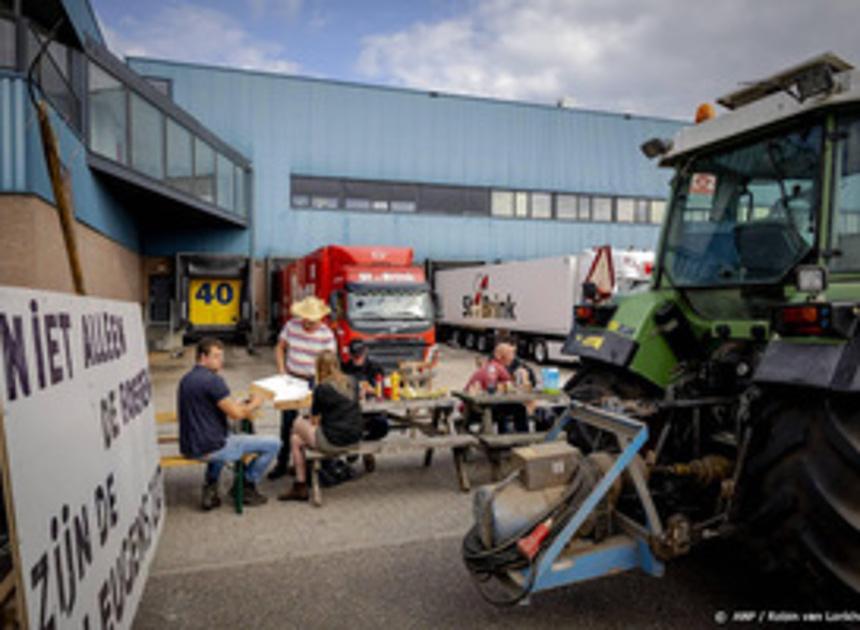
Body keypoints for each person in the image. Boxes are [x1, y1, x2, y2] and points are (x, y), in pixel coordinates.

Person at [178, 338, 281, 509]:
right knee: (274, 443)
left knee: (225, 435)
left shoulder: (186, 380)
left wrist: (239, 404)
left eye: (221, 356)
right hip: (212, 447)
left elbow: (219, 406)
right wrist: (257, 401)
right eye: (216, 356)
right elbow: (236, 415)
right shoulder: (213, 381)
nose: (221, 360)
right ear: (203, 357)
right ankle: (246, 484)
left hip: (189, 445)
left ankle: (211, 486)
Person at [268, 296, 337, 480]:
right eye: (306, 319)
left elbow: (329, 364)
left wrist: (322, 384)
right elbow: (280, 348)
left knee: (315, 421)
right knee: (287, 422)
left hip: (314, 380)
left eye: (312, 321)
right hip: (292, 377)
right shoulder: (291, 326)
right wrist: (282, 371)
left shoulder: (326, 335)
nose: (309, 324)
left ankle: (314, 463)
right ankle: (282, 463)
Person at [279, 350, 363, 501]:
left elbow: (314, 420)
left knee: (296, 423)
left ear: (319, 368)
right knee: (295, 440)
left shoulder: (322, 388)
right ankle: (300, 483)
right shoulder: (353, 381)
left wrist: (306, 419)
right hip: (355, 437)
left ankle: (300, 483)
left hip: (333, 440)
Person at [341, 340, 388, 472]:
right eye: (354, 355)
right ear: (350, 355)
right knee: (346, 425)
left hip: (372, 409)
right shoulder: (344, 368)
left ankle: (364, 448)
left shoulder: (375, 367)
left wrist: (372, 390)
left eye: (359, 355)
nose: (357, 358)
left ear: (365, 352)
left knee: (382, 425)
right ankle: (358, 448)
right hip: (350, 410)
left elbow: (382, 390)